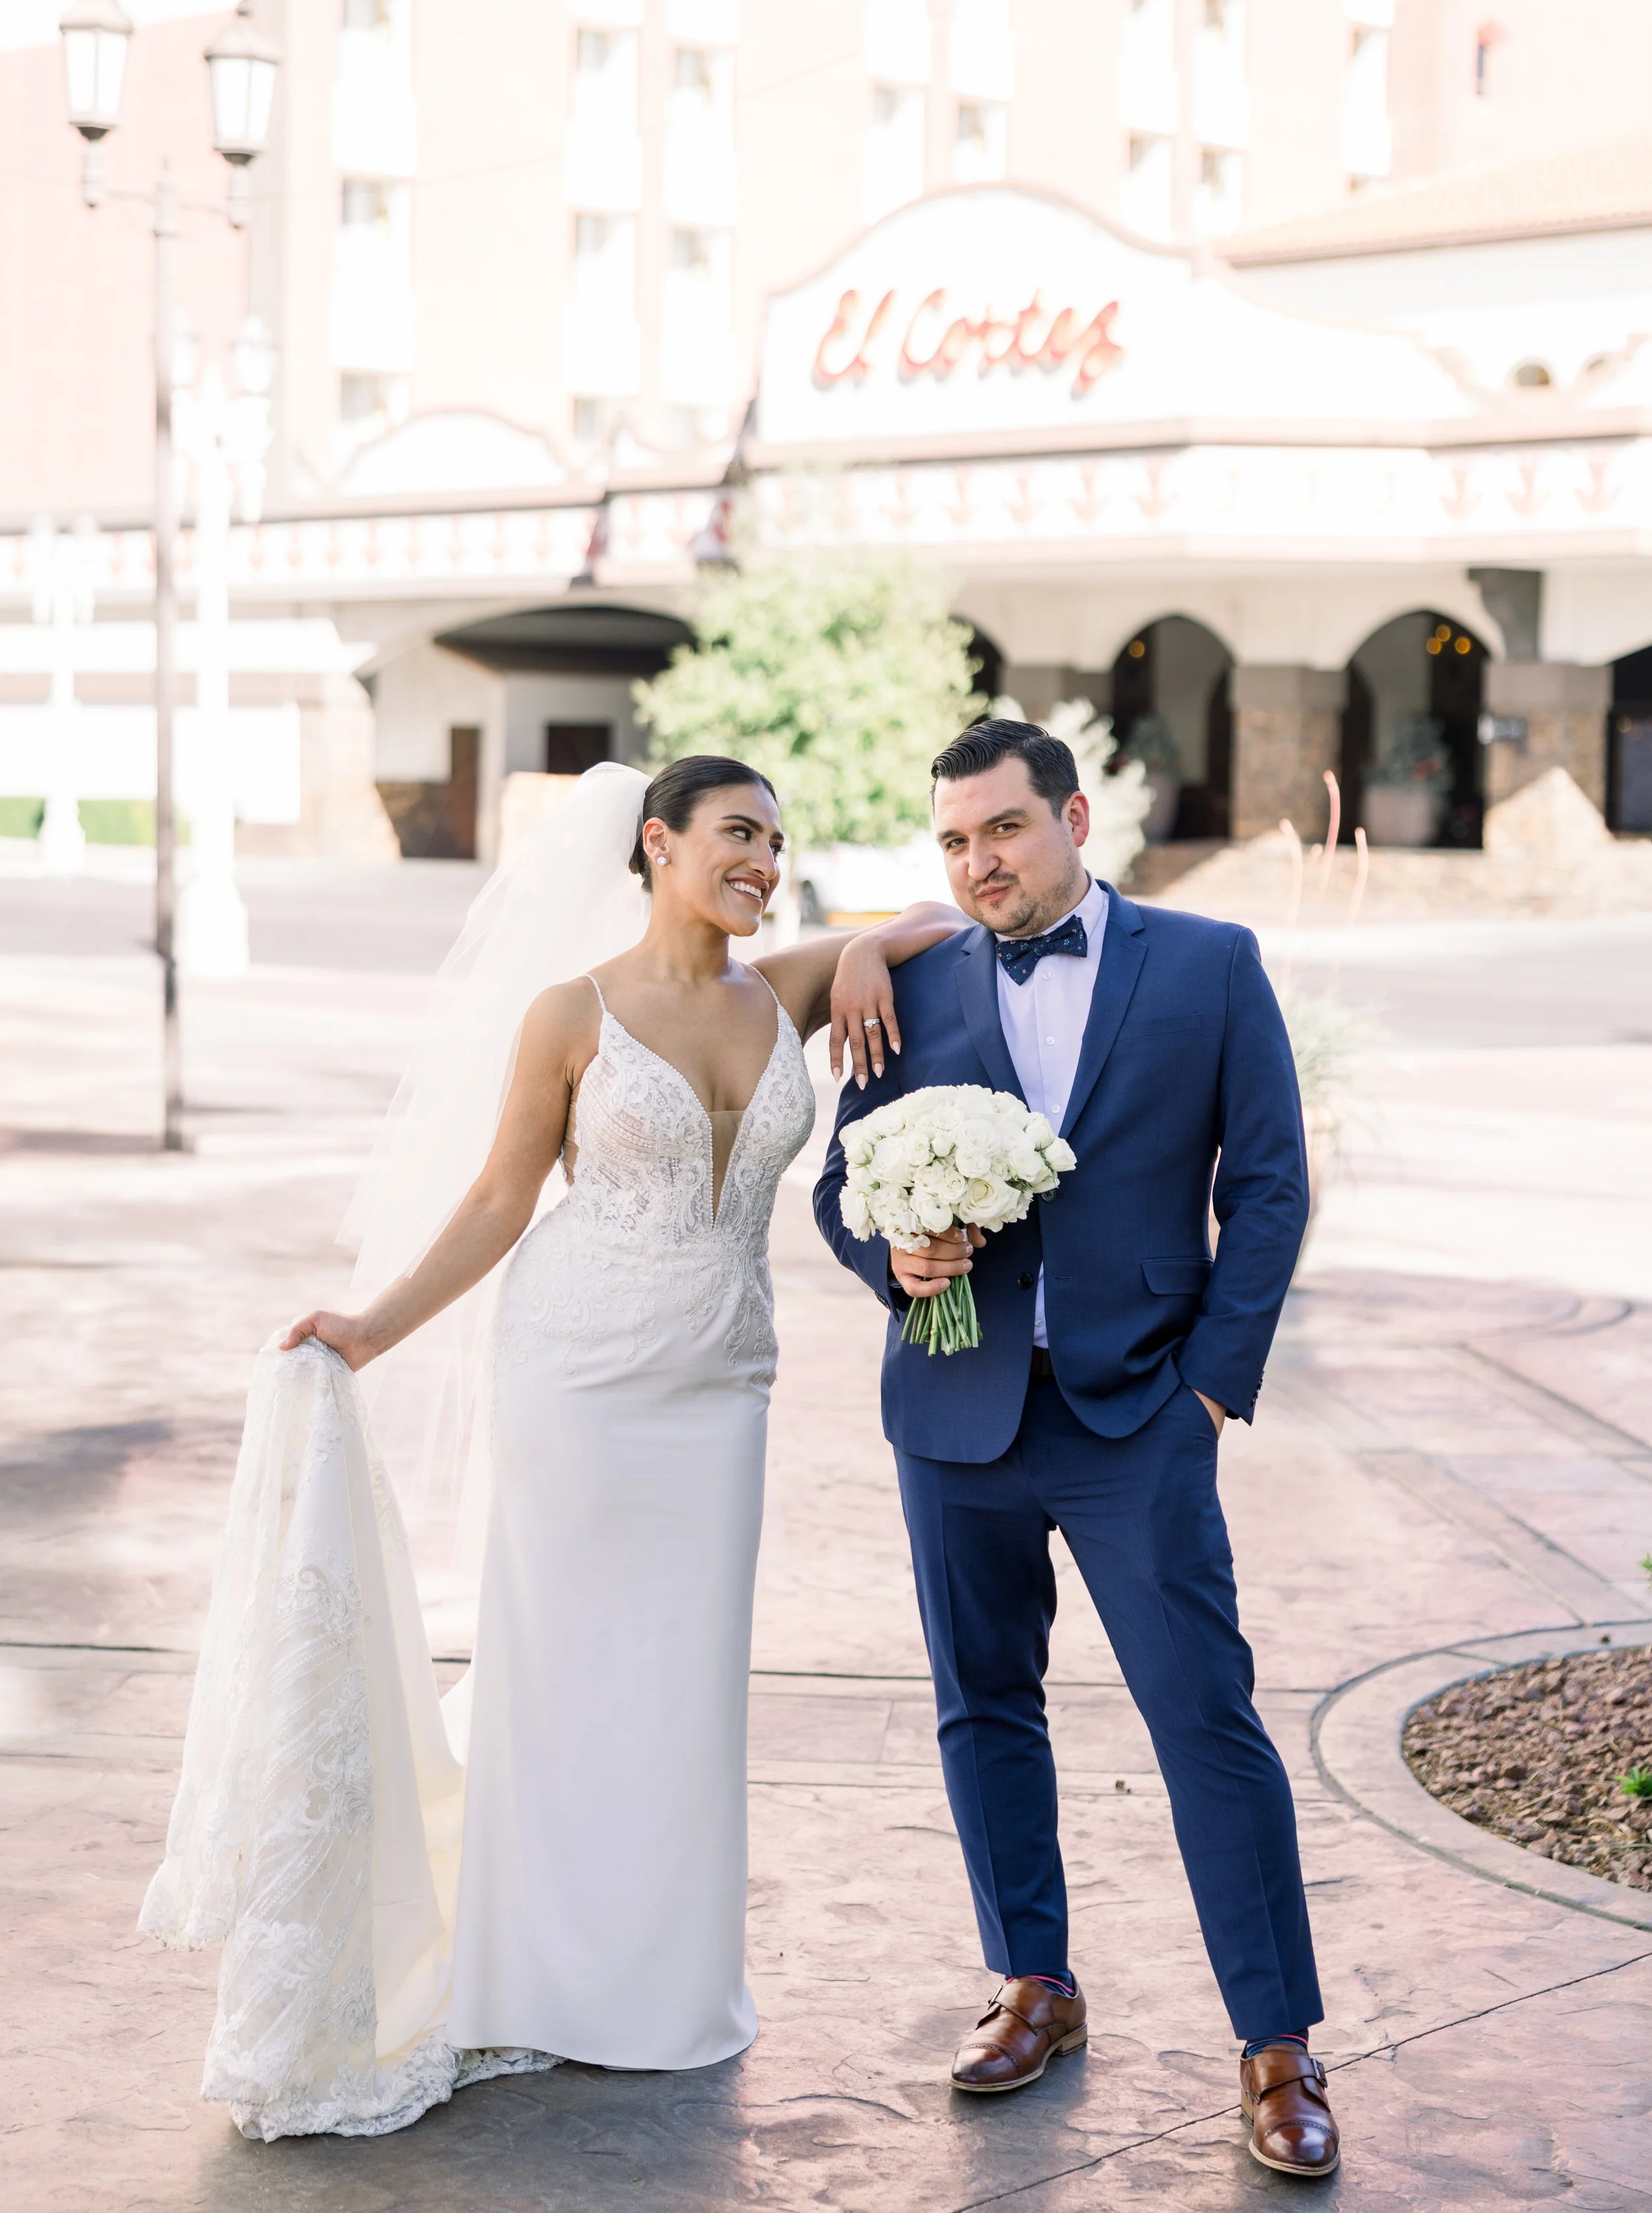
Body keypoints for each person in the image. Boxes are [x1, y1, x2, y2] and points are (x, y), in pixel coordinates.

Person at [141, 756, 964, 2140]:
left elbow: (938, 925)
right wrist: (369, 1326)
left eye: (775, 839)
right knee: (561, 1670)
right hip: (577, 1374)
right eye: (733, 836)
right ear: (657, 843)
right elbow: (498, 1195)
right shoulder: (568, 1012)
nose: (762, 861)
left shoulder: (788, 988)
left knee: (683, 1684)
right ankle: (534, 1973)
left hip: (721, 1393)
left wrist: (872, 944)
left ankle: (660, 1983)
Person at [813, 716, 1339, 2180]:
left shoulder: (1207, 966)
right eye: (953, 842)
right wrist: (893, 1261)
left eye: (1002, 830)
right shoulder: (911, 984)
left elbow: (1273, 1185)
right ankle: (1031, 1982)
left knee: (1202, 1719)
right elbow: (836, 1185)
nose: (978, 863)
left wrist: (1209, 1394)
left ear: (1073, 818)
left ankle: (1277, 2044)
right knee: (983, 1705)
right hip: (953, 1410)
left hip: (1139, 1419)